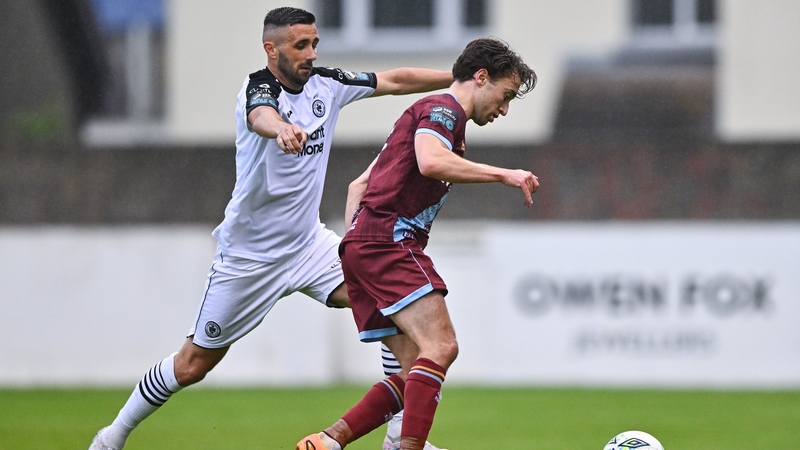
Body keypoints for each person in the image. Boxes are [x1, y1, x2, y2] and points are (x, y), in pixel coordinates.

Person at [88, 7, 454, 450]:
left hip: (309, 246)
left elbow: (394, 79)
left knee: (390, 300)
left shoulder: (327, 85)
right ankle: (111, 437)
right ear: (271, 49)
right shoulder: (259, 87)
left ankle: (397, 434)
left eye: (314, 43)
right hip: (250, 257)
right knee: (192, 365)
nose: (311, 53)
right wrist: (280, 128)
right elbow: (260, 115)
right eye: (300, 45)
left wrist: (456, 78)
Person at [295, 37, 538, 450]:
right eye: (506, 95)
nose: (504, 109)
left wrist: (358, 251)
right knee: (442, 345)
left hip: (363, 245)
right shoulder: (444, 110)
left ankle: (328, 441)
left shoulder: (423, 114)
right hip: (388, 241)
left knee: (414, 373)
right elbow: (430, 161)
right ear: (481, 77)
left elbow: (359, 186)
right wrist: (504, 174)